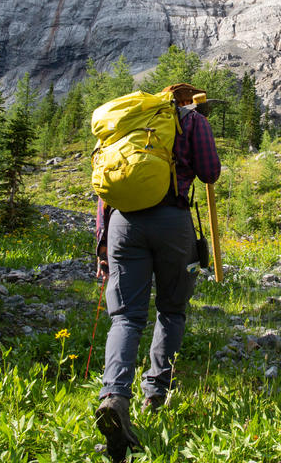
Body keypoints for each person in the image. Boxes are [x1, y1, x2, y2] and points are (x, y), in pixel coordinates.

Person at [93, 83, 221, 461]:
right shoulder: (191, 121)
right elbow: (210, 171)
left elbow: (105, 190)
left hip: (122, 224)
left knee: (125, 317)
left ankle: (114, 395)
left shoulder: (124, 125)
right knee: (171, 309)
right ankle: (155, 395)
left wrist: (102, 244)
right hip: (171, 221)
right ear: (184, 100)